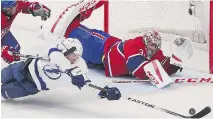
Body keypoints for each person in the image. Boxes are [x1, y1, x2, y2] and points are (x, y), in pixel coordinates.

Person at [45, 0, 194, 88]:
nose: (153, 48)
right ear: (146, 41)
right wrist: (157, 73)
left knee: (82, 54)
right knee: (77, 32)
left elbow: (161, 63)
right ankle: (54, 31)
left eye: (155, 46)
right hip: (102, 46)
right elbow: (136, 68)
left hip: (104, 57)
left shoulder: (153, 51)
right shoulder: (135, 45)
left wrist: (171, 66)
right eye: (151, 45)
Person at [1, 37, 121, 101]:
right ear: (65, 51)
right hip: (20, 68)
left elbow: (85, 83)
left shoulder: (79, 67)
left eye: (78, 56)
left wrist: (103, 92)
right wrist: (13, 54)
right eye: (74, 55)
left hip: (29, 85)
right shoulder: (56, 51)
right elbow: (55, 56)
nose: (75, 58)